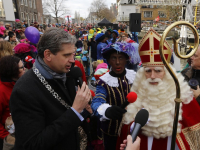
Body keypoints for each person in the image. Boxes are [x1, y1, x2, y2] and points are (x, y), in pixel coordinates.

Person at [117, 29, 200, 150]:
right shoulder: (137, 96)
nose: (152, 76)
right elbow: (125, 130)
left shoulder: (182, 97)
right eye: (148, 71)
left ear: (167, 73)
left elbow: (193, 137)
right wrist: (134, 126)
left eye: (158, 71)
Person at [9, 28, 91, 150]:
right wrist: (75, 111)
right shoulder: (24, 90)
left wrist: (85, 110)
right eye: (66, 55)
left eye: (73, 54)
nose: (73, 60)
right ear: (48, 55)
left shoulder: (66, 75)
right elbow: (33, 144)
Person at [91, 42, 140, 150]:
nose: (117, 62)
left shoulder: (135, 77)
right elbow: (97, 101)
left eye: (121, 58)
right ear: (108, 60)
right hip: (111, 133)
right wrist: (107, 110)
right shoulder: (103, 81)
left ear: (126, 59)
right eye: (113, 58)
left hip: (132, 130)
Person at [0, 56, 26, 150]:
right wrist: (7, 137)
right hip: (10, 139)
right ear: (12, 71)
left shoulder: (20, 83)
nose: (24, 69)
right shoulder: (2, 91)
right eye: (21, 67)